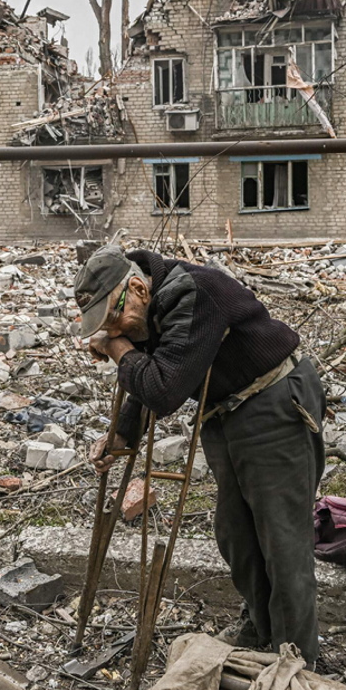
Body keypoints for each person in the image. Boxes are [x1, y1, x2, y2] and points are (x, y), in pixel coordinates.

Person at [74, 243, 325, 666]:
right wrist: (121, 433)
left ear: (137, 287)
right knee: (235, 533)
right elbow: (155, 370)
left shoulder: (193, 293)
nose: (113, 330)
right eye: (104, 325)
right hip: (225, 411)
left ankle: (295, 660)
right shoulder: (151, 305)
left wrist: (118, 350)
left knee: (282, 539)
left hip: (275, 400)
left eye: (114, 317)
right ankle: (261, 627)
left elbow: (165, 388)